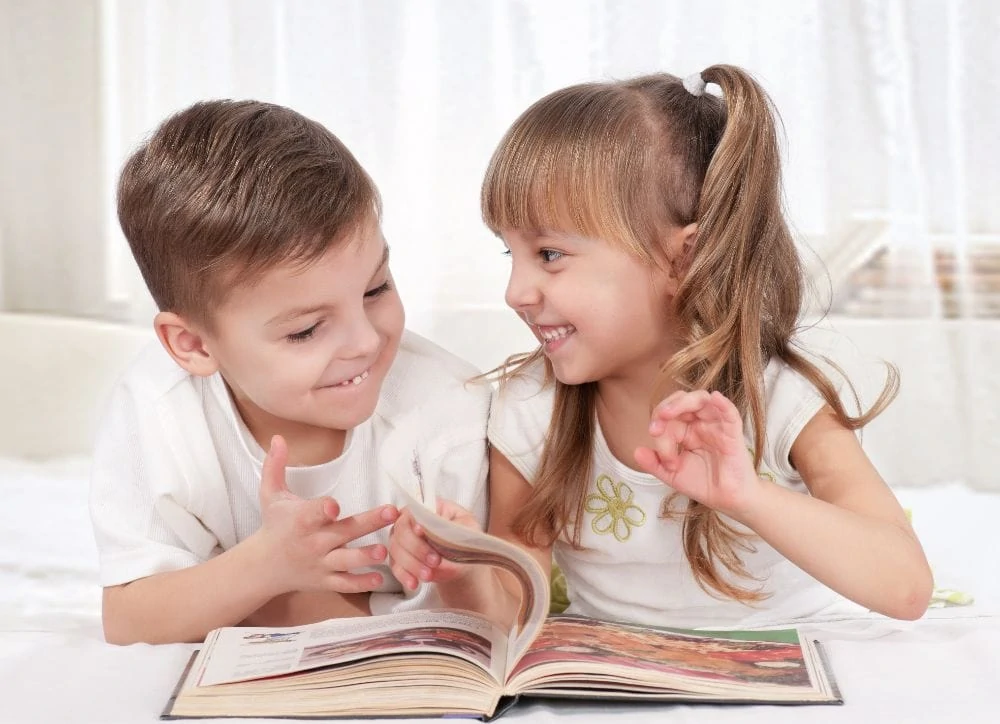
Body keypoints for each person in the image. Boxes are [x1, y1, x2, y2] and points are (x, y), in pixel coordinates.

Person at [388, 65, 932, 629]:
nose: (515, 293)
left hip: (800, 664)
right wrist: (466, 573)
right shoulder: (530, 409)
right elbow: (515, 606)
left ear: (685, 258)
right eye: (511, 254)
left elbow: (906, 586)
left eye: (549, 254)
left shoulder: (781, 395)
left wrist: (746, 495)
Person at [90, 100, 490, 645]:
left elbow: (483, 617)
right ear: (192, 344)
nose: (366, 342)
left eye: (376, 289)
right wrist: (263, 567)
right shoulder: (159, 410)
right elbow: (130, 619)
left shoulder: (448, 407)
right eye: (305, 331)